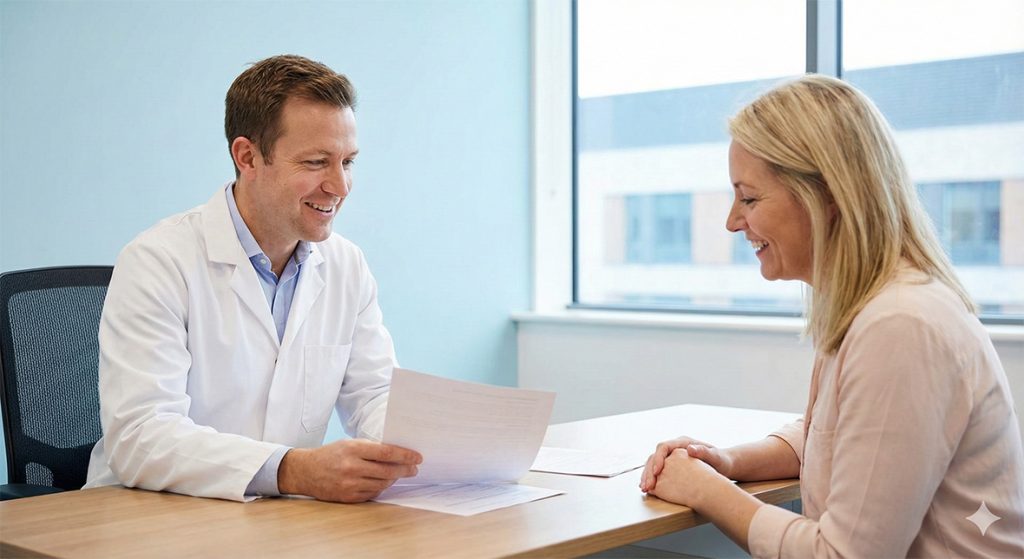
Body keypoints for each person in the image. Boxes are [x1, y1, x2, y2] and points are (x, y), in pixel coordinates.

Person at [639, 75, 1024, 557]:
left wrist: (706, 492)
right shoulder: (875, 307)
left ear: (827, 196)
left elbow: (842, 555)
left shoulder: (901, 326)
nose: (733, 221)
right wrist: (726, 461)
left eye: (750, 197)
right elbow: (841, 436)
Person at [84, 54, 422, 503]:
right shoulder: (157, 261)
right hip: (148, 515)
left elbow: (374, 393)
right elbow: (142, 436)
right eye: (317, 162)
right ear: (247, 156)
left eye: (348, 162)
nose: (340, 187)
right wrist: (293, 470)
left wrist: (416, 449)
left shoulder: (346, 265)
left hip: (273, 520)